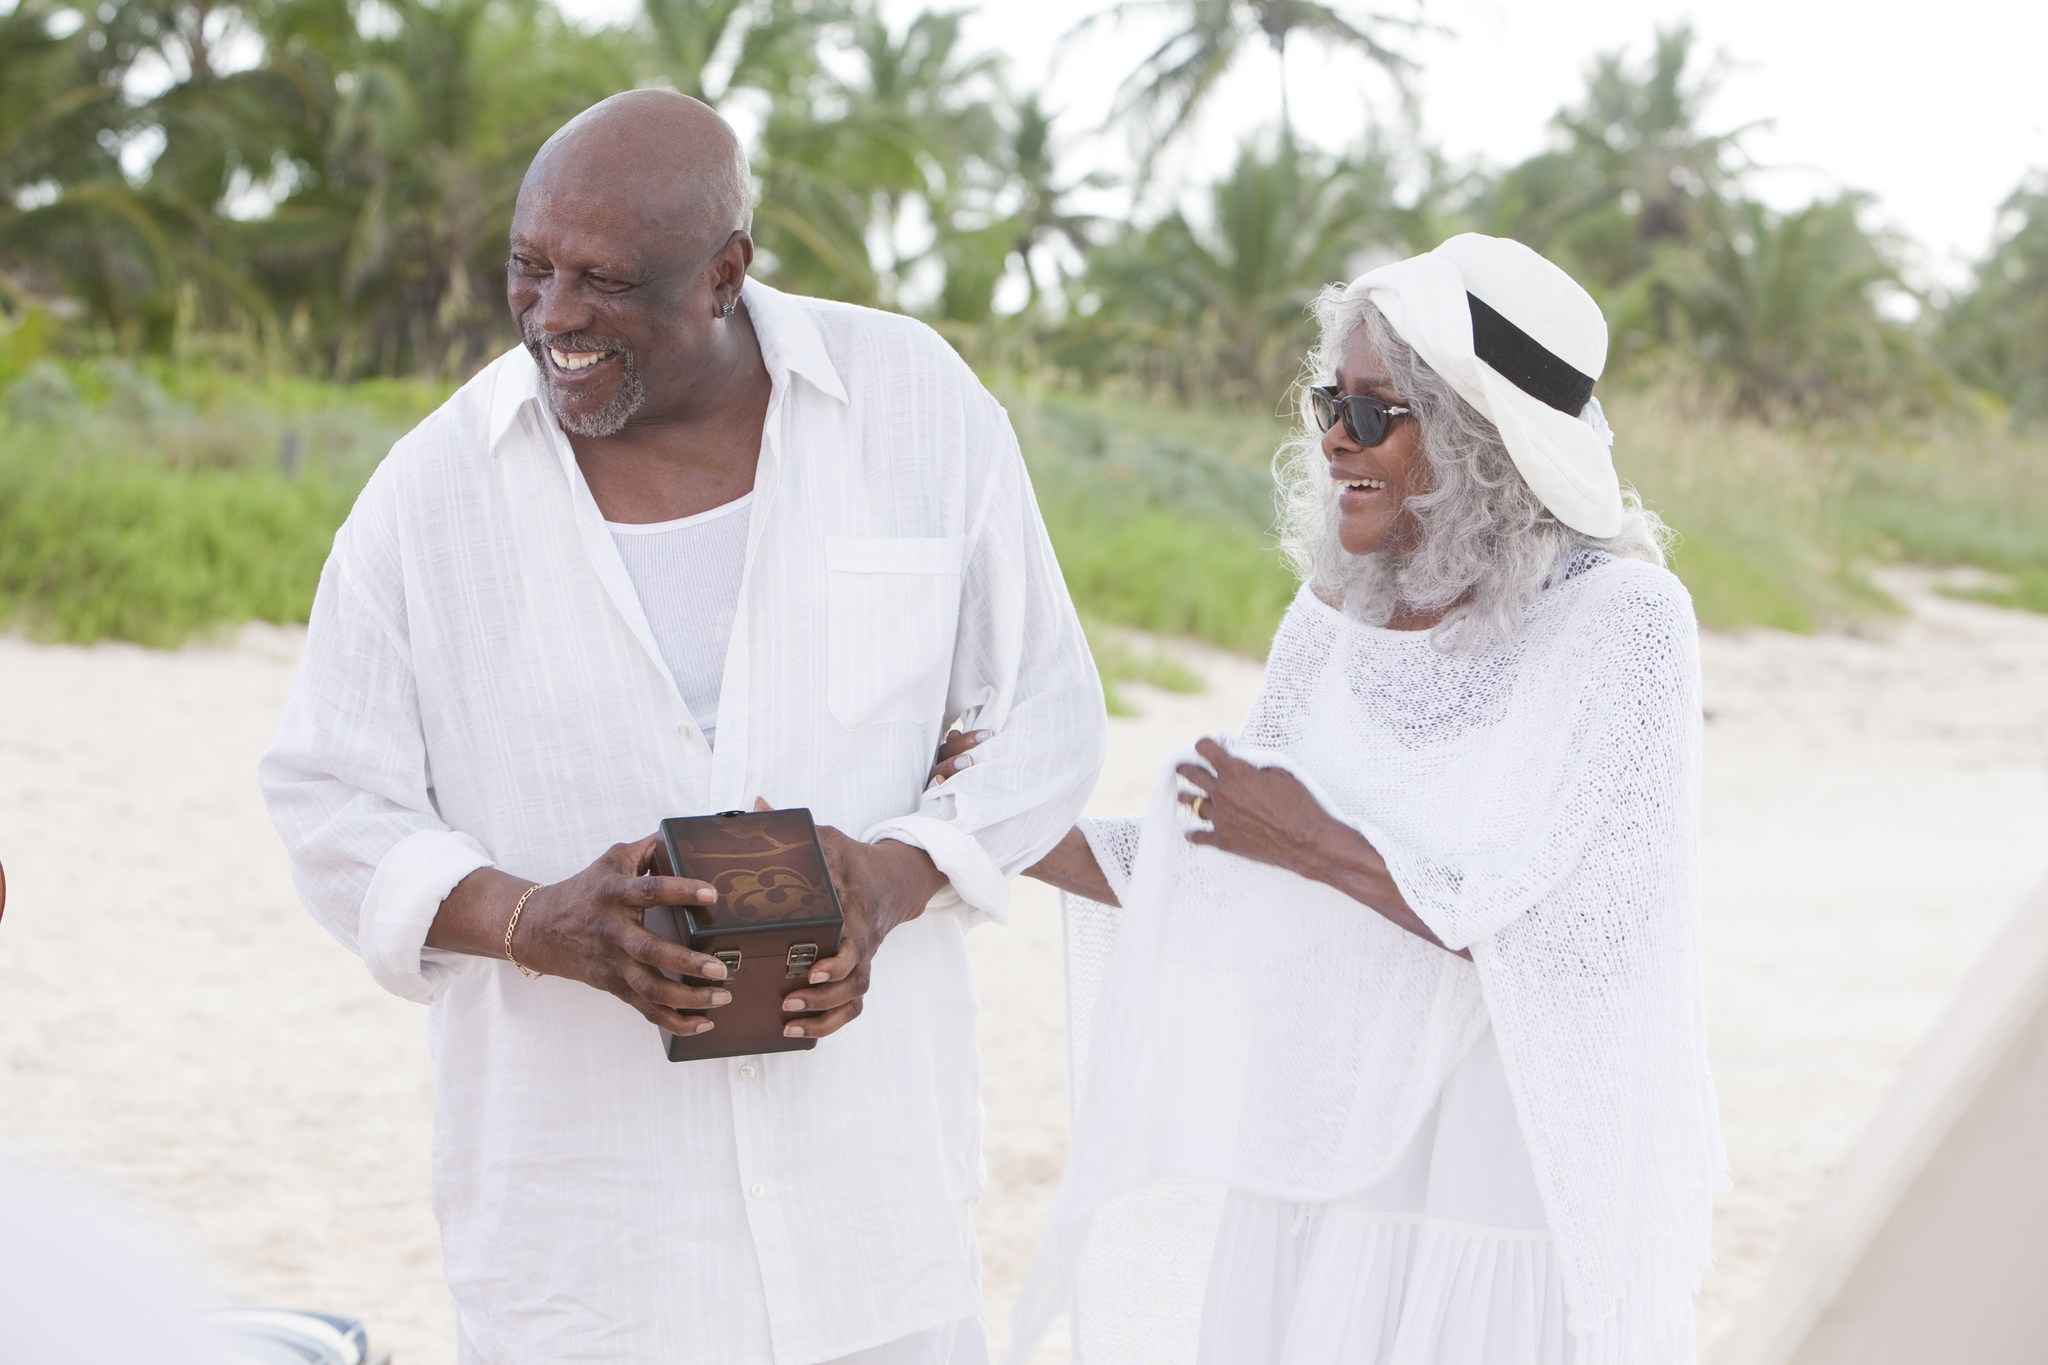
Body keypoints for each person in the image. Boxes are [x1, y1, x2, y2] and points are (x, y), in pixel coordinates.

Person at [259, 90, 1106, 1364]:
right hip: (586, 1256)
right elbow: (330, 801)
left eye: (605, 283)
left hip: (870, 1224)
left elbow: (1043, 711)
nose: (554, 319)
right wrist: (528, 921)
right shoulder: (431, 496)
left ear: (725, 273)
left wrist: (895, 873)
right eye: (529, 271)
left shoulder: (915, 407)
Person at [986, 234, 1724, 1364]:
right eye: (1332, 400)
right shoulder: (1330, 623)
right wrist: (991, 818)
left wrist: (1318, 846)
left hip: (1489, 1175)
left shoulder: (1620, 621)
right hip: (1315, 1155)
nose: (1334, 436)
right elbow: (1211, 858)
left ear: (1479, 439)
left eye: (1377, 412)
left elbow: (1589, 939)